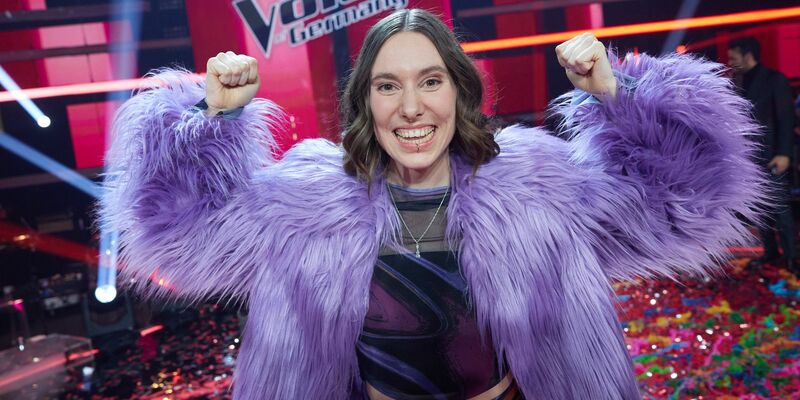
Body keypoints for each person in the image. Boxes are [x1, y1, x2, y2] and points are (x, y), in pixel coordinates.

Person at [100, 9, 767, 400]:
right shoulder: (305, 204)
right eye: (388, 85)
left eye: (431, 81)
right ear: (365, 101)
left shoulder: (538, 188)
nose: (412, 106)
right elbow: (175, 230)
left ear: (460, 92)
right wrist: (207, 118)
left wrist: (617, 92)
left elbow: (689, 198)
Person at [728, 37, 797, 275]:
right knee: (760, 209)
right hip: (750, 160)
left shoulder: (774, 80)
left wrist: (784, 153)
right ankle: (770, 253)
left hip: (773, 155)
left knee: (780, 209)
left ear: (747, 55)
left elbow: (786, 119)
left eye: (733, 57)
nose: (730, 61)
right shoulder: (737, 82)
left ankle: (792, 259)